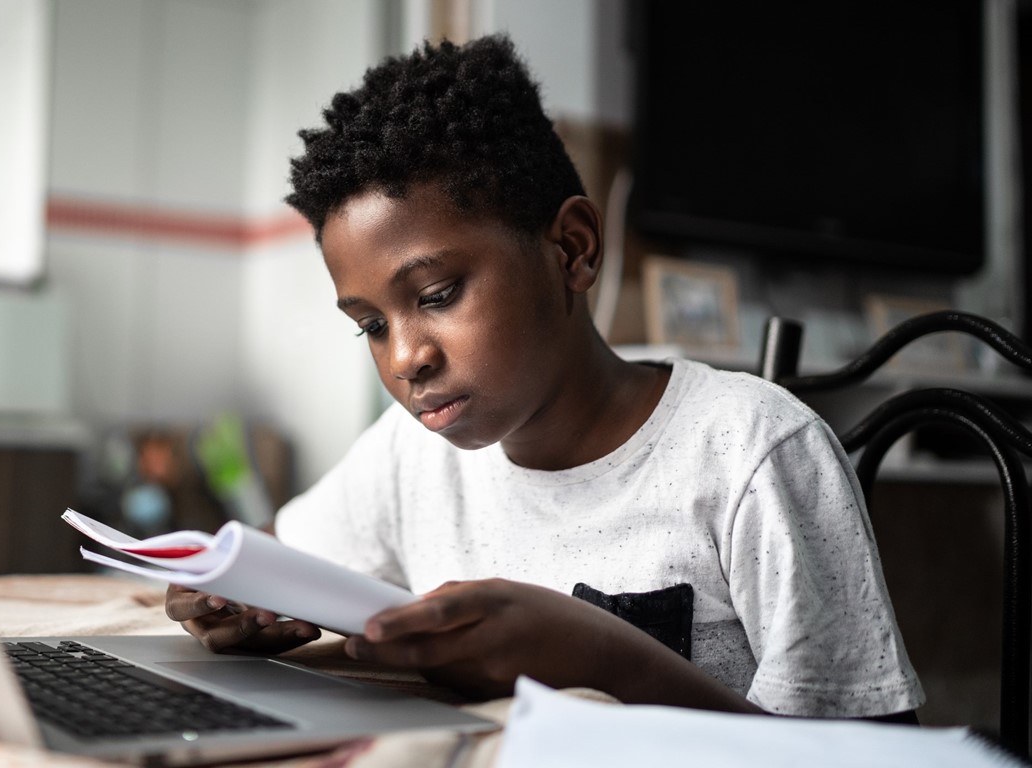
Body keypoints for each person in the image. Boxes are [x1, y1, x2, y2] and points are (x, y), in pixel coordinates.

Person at [165, 34, 923, 720]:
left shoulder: (751, 451)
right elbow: (282, 545)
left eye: (436, 297)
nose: (404, 359)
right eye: (371, 325)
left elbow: (873, 754)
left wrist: (603, 660)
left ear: (571, 250)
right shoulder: (412, 452)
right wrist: (235, 593)